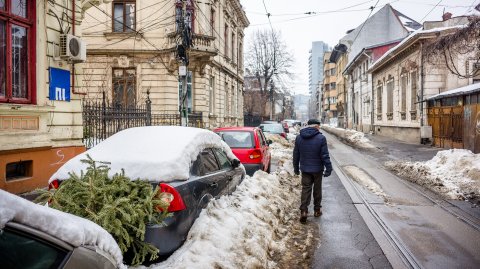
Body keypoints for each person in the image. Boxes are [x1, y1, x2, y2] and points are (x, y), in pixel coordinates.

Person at [293, 118, 332, 224]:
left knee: (306, 189)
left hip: (305, 169)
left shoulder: (299, 138)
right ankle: (317, 210)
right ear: (316, 126)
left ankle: (304, 211)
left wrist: (296, 168)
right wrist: (328, 168)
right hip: (317, 169)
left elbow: (296, 155)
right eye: (319, 126)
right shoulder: (321, 138)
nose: (319, 127)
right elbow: (325, 156)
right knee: (317, 189)